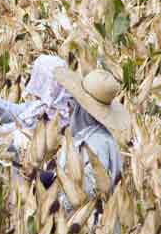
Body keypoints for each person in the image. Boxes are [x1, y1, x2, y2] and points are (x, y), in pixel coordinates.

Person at [42, 68, 130, 212]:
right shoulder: (86, 136)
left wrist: (53, 202)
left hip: (90, 226)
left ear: (82, 109)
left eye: (74, 104)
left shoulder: (97, 144)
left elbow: (88, 192)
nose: (70, 108)